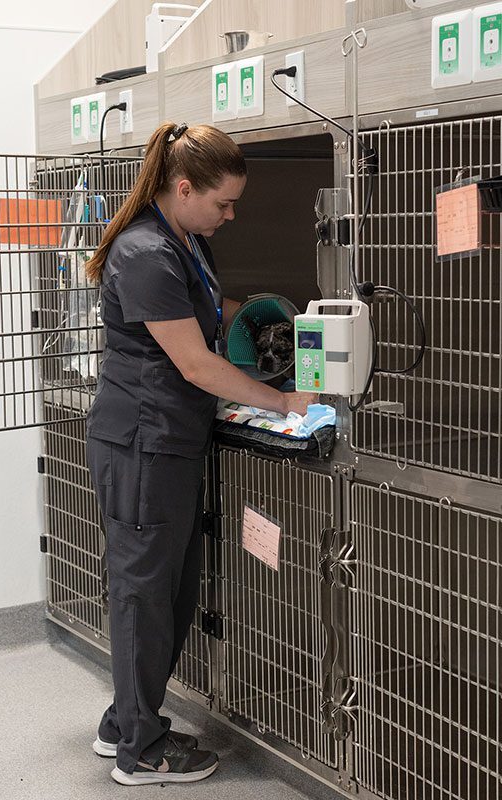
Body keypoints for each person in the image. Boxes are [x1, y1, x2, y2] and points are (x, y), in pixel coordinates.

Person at [84, 120, 318, 787]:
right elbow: (193, 362)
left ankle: (125, 722)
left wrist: (275, 319)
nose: (231, 213)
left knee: (167, 592)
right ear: (183, 187)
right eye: (222, 202)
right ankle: (142, 752)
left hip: (168, 444)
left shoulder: (184, 241)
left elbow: (208, 314)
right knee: (144, 596)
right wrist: (282, 403)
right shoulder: (145, 251)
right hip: (142, 444)